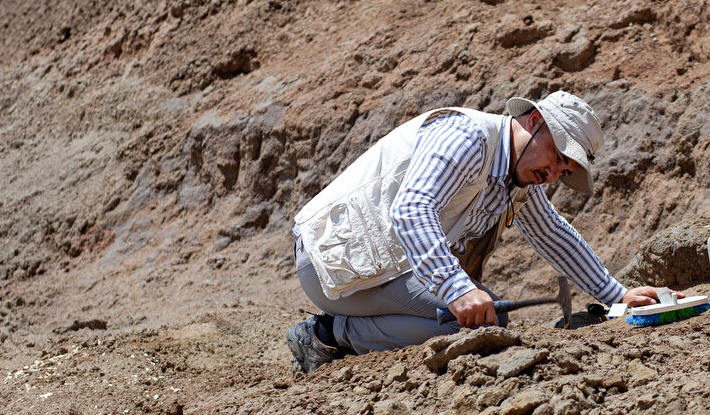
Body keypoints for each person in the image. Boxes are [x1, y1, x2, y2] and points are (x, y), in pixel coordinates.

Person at [286, 90, 669, 373]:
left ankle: (335, 330)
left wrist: (616, 294)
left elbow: (552, 233)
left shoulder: (517, 175)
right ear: (535, 121)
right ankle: (327, 333)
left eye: (565, 170)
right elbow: (411, 209)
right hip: (330, 264)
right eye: (557, 157)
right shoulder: (468, 137)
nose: (553, 175)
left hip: (375, 268)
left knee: (483, 317)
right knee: (476, 318)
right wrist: (457, 289)